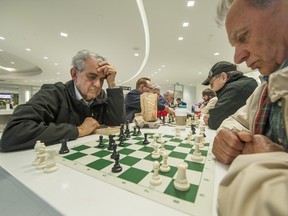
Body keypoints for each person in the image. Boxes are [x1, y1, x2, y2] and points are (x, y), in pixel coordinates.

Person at [213, 1, 288, 216]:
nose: (238, 58)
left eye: (243, 37)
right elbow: (234, 120)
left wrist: (260, 161)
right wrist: (230, 137)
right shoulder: (266, 87)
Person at [0, 50, 126, 152]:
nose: (98, 85)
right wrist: (78, 130)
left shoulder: (101, 97)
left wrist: (112, 84)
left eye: (102, 79)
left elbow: (116, 123)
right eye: (91, 77)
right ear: (75, 75)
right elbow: (13, 132)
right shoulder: (53, 93)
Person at [202, 61, 257, 129]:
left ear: (223, 77)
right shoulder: (246, 82)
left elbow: (215, 121)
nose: (212, 88)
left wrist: (210, 119)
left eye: (212, 83)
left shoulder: (235, 88)